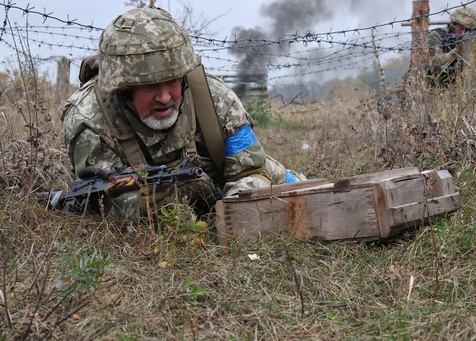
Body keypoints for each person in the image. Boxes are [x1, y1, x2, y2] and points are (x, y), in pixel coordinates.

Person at [60, 6, 306, 218]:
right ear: (123, 89)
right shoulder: (89, 121)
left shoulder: (215, 99)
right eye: (150, 86)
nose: (165, 98)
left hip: (221, 186)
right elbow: (98, 201)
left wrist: (236, 207)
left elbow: (250, 169)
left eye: (172, 82)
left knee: (284, 181)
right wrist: (141, 209)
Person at [427, 6, 476, 87]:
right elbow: (434, 64)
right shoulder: (436, 36)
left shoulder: (467, 40)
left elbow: (469, 72)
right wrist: (457, 50)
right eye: (461, 28)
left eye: (468, 30)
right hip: (429, 86)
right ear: (453, 25)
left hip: (451, 88)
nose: (463, 33)